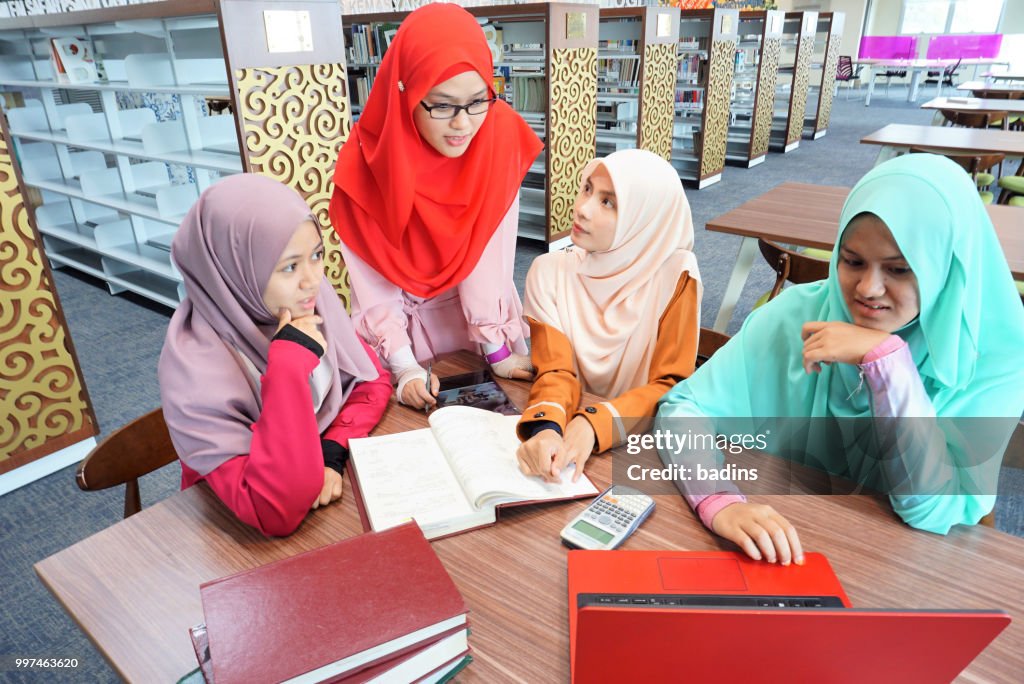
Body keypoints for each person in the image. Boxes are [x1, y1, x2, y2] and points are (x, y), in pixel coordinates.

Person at [657, 154, 1024, 565]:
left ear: (946, 266)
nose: (868, 288)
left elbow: (928, 509)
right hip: (788, 536)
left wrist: (888, 365)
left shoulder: (996, 357)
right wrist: (717, 499)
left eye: (899, 269)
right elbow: (682, 409)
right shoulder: (796, 315)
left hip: (907, 563)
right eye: (852, 262)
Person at [330, 3, 544, 409]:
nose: (463, 124)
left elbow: (489, 258)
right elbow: (373, 288)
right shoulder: (364, 164)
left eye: (478, 100)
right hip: (404, 340)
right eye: (442, 105)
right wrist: (404, 366)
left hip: (480, 333)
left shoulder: (498, 135)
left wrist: (496, 349)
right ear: (404, 92)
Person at [159, 174, 391, 537]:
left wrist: (331, 451)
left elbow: (372, 381)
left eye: (316, 256)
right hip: (233, 539)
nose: (313, 280)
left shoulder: (307, 304)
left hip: (319, 516)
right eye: (289, 267)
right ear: (232, 270)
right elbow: (273, 510)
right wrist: (287, 369)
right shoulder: (195, 371)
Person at [515, 149, 702, 483]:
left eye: (608, 202)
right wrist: (546, 428)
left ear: (644, 219)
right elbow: (555, 370)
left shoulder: (675, 276)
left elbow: (671, 386)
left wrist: (594, 423)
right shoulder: (548, 271)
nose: (582, 209)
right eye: (587, 189)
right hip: (569, 440)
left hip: (643, 447)